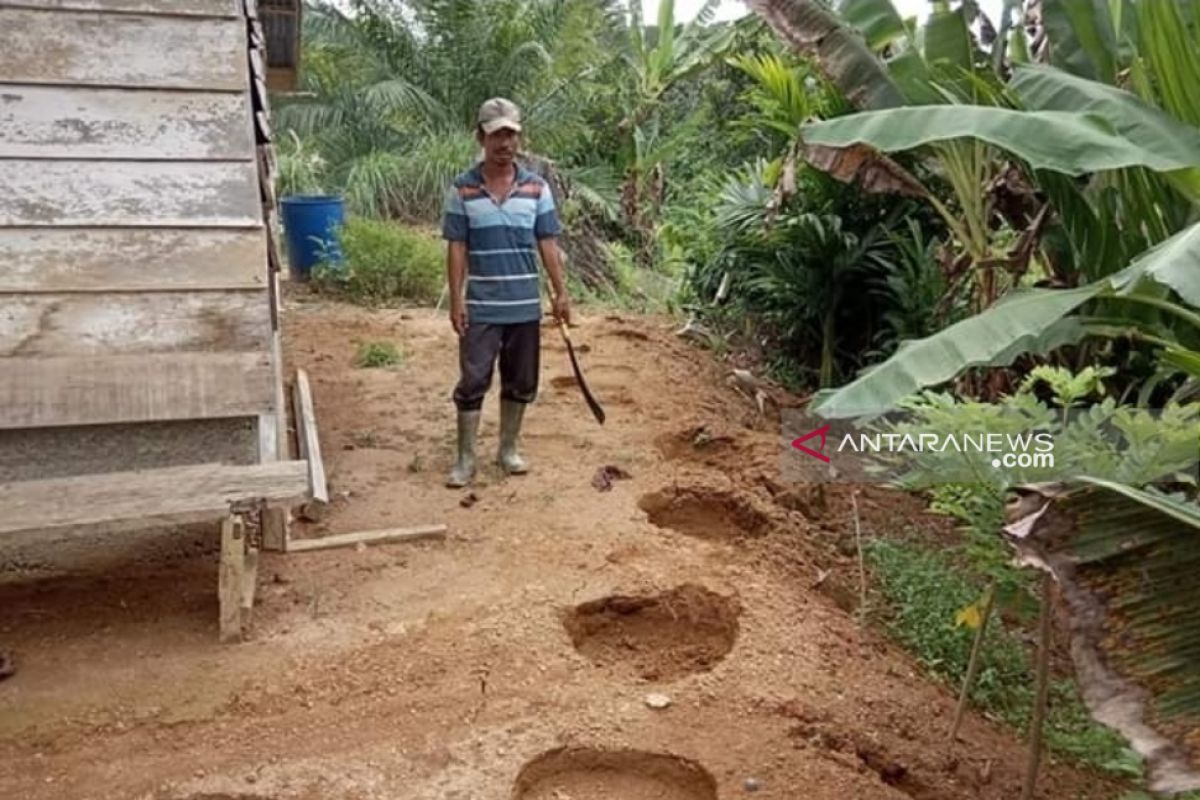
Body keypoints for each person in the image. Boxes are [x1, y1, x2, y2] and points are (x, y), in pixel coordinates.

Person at [441, 97, 570, 488]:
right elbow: (456, 247)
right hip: (481, 306)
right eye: (497, 135)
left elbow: (547, 242)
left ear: (519, 137)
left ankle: (508, 449)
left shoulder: (536, 188)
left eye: (511, 135)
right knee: (473, 380)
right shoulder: (463, 189)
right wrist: (457, 299)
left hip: (524, 307)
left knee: (520, 380)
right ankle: (465, 459)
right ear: (481, 136)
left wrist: (560, 293)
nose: (505, 143)